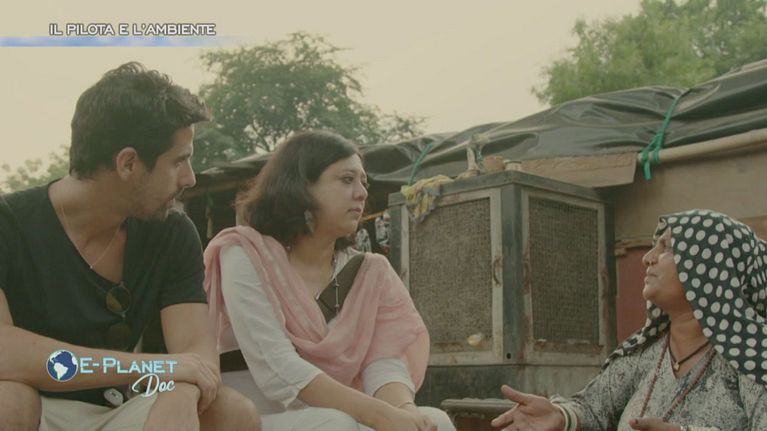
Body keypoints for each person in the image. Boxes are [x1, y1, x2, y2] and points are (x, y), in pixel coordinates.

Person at [0, 62, 260, 430]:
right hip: (38, 405)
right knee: (7, 400)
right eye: (179, 161)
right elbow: (5, 353)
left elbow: (197, 354)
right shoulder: (8, 224)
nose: (189, 178)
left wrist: (180, 390)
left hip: (124, 406)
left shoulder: (171, 232)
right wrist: (161, 368)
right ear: (128, 163)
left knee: (231, 412)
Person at [204, 130, 456, 431]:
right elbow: (276, 366)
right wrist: (380, 416)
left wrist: (405, 413)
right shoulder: (245, 254)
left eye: (363, 182)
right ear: (302, 187)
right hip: (257, 416)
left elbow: (383, 361)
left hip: (345, 413)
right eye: (347, 180)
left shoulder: (371, 272)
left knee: (436, 422)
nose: (362, 193)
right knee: (334, 424)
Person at [491, 209, 767, 431]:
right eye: (653, 247)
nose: (648, 258)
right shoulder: (643, 353)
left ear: (709, 267)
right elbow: (592, 409)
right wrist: (561, 416)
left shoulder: (753, 357)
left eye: (666, 248)